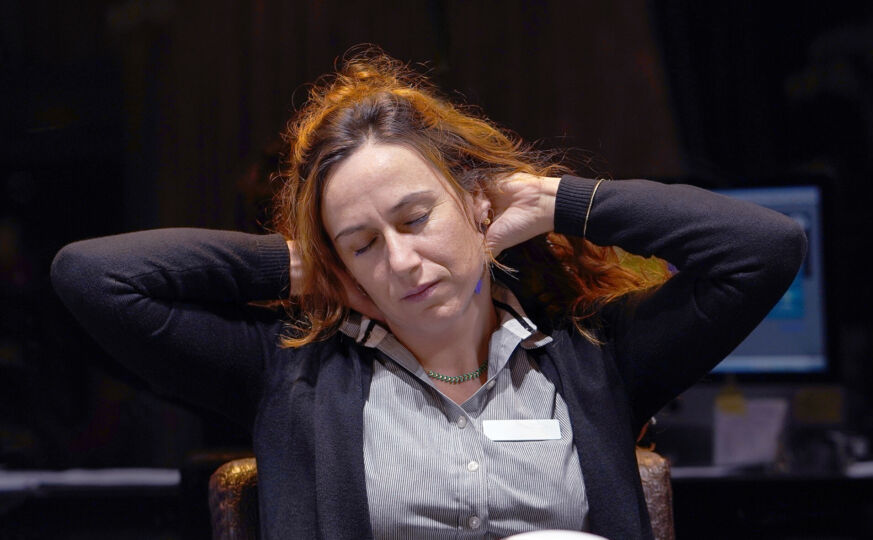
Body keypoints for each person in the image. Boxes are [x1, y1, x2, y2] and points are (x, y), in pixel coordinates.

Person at [50, 47, 807, 539]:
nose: (404, 260)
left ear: (476, 205)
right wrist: (307, 263)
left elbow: (763, 251)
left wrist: (551, 202)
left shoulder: (594, 362)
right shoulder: (292, 377)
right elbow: (94, 278)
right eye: (365, 243)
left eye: (417, 218)